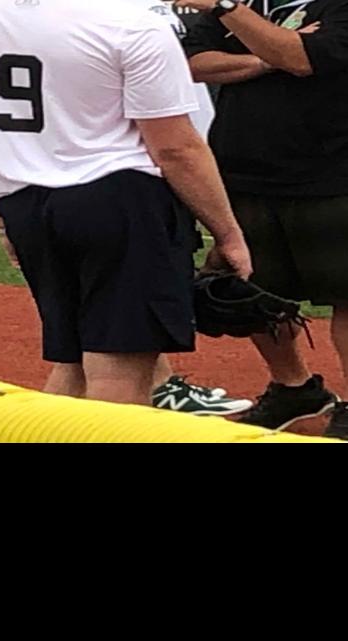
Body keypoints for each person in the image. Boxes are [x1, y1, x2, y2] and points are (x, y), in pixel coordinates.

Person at [0, 0, 251, 406]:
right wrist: (228, 233)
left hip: (25, 204)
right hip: (120, 200)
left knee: (73, 364)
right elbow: (176, 148)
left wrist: (2, 218)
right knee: (120, 368)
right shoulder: (130, 23)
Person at [180, 0, 348, 442]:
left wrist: (230, 13)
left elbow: (301, 59)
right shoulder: (251, 4)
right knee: (254, 291)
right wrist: (267, 56)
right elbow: (195, 64)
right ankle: (294, 387)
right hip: (247, 166)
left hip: (344, 167)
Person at [140, 1, 253, 418]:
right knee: (140, 283)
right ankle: (157, 387)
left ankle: (158, 383)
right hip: (151, 158)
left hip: (171, 147)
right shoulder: (118, 15)